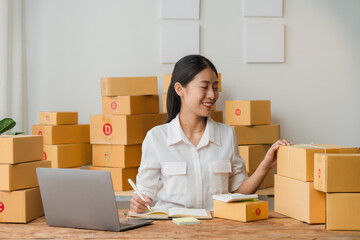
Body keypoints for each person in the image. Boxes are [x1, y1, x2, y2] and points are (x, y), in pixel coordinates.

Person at [130, 55, 290, 213]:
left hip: (216, 228)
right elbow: (144, 198)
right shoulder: (157, 138)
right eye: (204, 87)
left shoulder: (227, 134)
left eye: (215, 87)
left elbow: (238, 193)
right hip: (173, 229)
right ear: (179, 89)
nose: (213, 95)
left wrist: (265, 165)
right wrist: (138, 205)